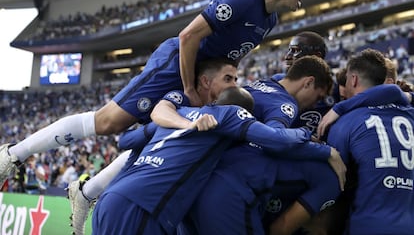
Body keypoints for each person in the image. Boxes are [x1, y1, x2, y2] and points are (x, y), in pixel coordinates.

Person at [0, 0, 315, 186]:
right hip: (176, 64)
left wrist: (219, 83)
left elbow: (233, 55)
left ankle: (87, 193)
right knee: (110, 122)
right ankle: (13, 153)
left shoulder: (270, 19)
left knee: (169, 138)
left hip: (203, 76)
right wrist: (190, 88)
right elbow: (188, 35)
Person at [91, 86, 323, 235]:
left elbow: (126, 140)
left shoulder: (177, 114)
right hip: (143, 207)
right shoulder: (228, 115)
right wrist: (305, 133)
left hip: (111, 199)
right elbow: (279, 140)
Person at [68, 57, 239, 234]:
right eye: (228, 79)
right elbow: (148, 121)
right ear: (205, 81)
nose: (234, 85)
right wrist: (185, 125)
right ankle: (87, 191)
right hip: (138, 200)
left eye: (235, 79)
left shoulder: (226, 114)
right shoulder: (185, 98)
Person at [186, 55, 344, 235]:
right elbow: (275, 140)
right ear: (308, 83)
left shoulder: (259, 84)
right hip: (229, 192)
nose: (314, 104)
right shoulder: (285, 104)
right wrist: (322, 148)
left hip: (196, 179)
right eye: (318, 97)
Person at [326, 49, 414, 235]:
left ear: (354, 80)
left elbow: (334, 182)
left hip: (367, 224)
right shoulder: (410, 113)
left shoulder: (344, 121)